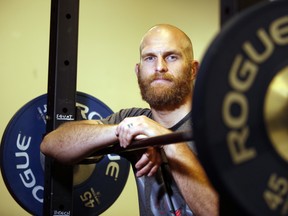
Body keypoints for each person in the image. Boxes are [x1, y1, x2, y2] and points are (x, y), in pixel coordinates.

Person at [40, 24, 219, 216]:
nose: (160, 67)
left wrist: (165, 140)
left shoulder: (219, 125)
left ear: (193, 70)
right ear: (138, 71)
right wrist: (124, 130)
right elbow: (51, 145)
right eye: (150, 58)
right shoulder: (133, 121)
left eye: (171, 57)